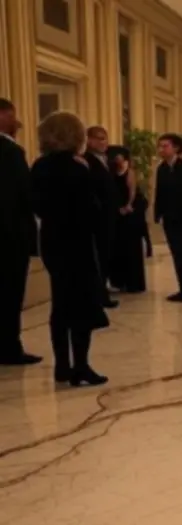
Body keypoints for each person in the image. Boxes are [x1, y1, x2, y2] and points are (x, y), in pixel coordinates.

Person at [31, 112, 109, 386]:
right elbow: (92, 209)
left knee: (60, 303)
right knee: (82, 305)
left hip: (52, 241)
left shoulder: (39, 166)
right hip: (77, 242)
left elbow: (36, 204)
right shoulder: (78, 168)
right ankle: (81, 366)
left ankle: (62, 366)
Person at [0, 98, 42, 366]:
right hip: (10, 237)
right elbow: (26, 194)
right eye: (11, 116)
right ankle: (8, 348)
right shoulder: (11, 151)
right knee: (10, 293)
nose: (16, 122)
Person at [154, 133, 182, 302]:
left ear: (176, 148)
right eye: (160, 146)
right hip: (169, 218)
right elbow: (159, 193)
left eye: (165, 146)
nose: (161, 149)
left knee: (181, 253)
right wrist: (157, 213)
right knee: (176, 252)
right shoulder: (161, 168)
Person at [84, 125, 119, 309]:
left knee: (106, 255)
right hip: (97, 218)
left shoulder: (107, 160)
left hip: (109, 216)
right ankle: (99, 296)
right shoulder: (86, 161)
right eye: (99, 138)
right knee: (99, 256)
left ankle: (102, 290)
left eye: (105, 138)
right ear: (89, 140)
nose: (103, 142)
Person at [109, 146, 146, 293]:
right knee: (117, 248)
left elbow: (132, 191)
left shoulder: (129, 172)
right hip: (116, 213)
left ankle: (133, 282)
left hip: (129, 214)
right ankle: (118, 281)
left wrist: (128, 206)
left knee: (131, 247)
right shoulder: (111, 172)